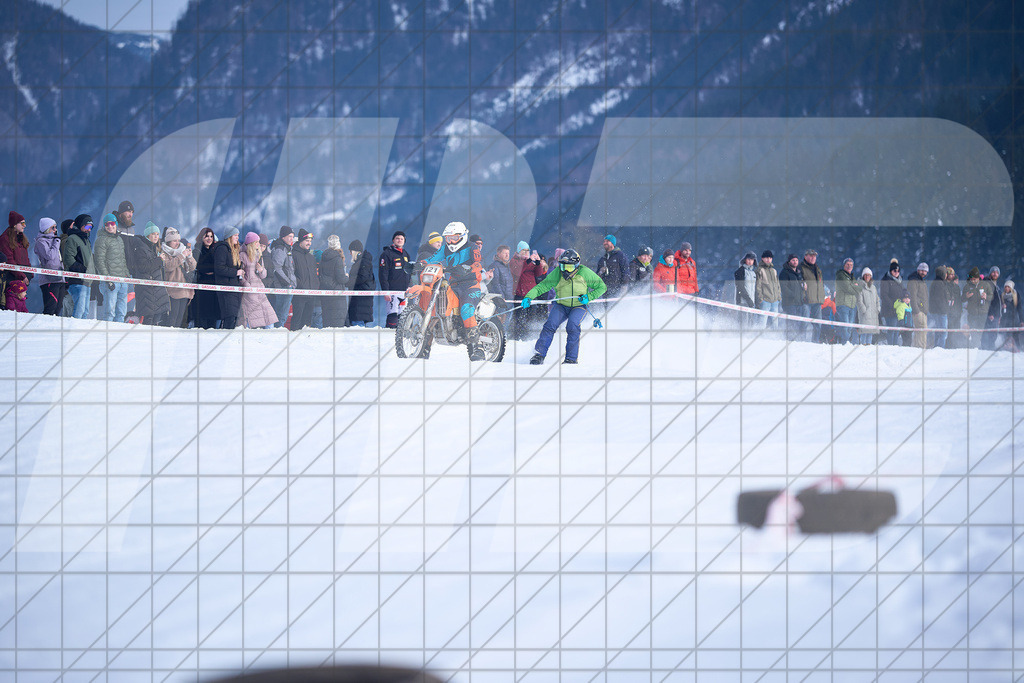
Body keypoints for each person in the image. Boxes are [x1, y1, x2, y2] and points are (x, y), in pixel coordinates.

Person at [523, 249, 606, 365]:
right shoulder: (557, 273)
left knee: (572, 326)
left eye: (570, 268)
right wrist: (529, 297)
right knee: (550, 325)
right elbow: (542, 286)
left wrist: (589, 297)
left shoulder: (584, 273)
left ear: (577, 266)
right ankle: (539, 355)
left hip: (579, 306)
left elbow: (602, 287)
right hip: (561, 306)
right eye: (563, 266)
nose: (566, 270)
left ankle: (571, 359)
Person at [424, 221, 484, 359]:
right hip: (454, 284)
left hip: (470, 285)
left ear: (462, 236)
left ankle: (477, 348)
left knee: (466, 310)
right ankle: (424, 349)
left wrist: (469, 267)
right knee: (437, 309)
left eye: (454, 238)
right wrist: (418, 265)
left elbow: (479, 262)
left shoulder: (472, 247)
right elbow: (432, 259)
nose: (450, 241)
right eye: (448, 238)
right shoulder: (445, 249)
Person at [92, 212, 131, 322]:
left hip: (122, 280)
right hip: (110, 282)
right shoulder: (101, 240)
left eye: (112, 223)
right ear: (104, 226)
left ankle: (118, 335)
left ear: (116, 224)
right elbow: (99, 261)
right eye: (107, 224)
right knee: (110, 312)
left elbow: (122, 260)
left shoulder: (119, 239)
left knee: (122, 312)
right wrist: (107, 279)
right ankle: (107, 335)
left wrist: (126, 275)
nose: (110, 226)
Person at [130, 222, 171, 326]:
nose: (156, 236)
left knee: (156, 319)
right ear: (148, 235)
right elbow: (143, 267)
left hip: (155, 290)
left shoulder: (153, 248)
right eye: (153, 234)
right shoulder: (141, 248)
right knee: (149, 319)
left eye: (157, 234)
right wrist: (159, 260)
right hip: (147, 290)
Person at [238, 231, 277, 329]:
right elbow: (240, 275)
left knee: (269, 317)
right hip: (250, 291)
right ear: (251, 243)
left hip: (260, 289)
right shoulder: (242, 255)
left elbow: (263, 275)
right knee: (253, 318)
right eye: (257, 242)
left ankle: (270, 337)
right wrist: (247, 285)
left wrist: (261, 270)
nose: (258, 244)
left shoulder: (258, 254)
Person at [161, 226, 196, 328]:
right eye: (174, 241)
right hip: (173, 291)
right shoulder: (164, 253)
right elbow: (168, 267)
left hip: (185, 290)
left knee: (180, 319)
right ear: (168, 242)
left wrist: (189, 256)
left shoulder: (182, 250)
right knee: (173, 318)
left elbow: (193, 267)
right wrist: (182, 256)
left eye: (178, 240)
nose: (177, 243)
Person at [511, 241, 546, 339]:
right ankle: (518, 337)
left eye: (527, 251)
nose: (526, 253)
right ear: (519, 251)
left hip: (531, 294)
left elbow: (538, 273)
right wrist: (528, 261)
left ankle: (528, 336)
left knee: (530, 317)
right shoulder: (514, 260)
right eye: (524, 251)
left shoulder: (529, 262)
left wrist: (538, 262)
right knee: (519, 317)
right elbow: (518, 271)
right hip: (520, 294)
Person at [62, 214, 95, 319]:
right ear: (80, 225)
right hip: (77, 280)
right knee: (79, 310)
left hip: (87, 281)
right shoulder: (73, 238)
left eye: (90, 227)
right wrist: (83, 270)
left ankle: (81, 333)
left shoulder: (86, 240)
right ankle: (74, 331)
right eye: (87, 227)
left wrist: (92, 271)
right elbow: (69, 259)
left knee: (85, 311)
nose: (89, 230)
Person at [379, 230, 412, 328]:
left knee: (402, 317)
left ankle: (400, 338)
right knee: (392, 316)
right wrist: (386, 291)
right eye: (397, 238)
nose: (399, 240)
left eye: (402, 239)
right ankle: (388, 336)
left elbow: (410, 272)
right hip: (392, 291)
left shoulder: (406, 254)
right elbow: (383, 274)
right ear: (393, 240)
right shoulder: (386, 254)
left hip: (404, 292)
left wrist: (410, 286)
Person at [213, 227, 244, 329]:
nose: (237, 237)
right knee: (229, 315)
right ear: (229, 236)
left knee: (234, 316)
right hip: (225, 287)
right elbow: (219, 268)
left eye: (238, 235)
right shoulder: (222, 248)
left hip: (234, 286)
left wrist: (240, 270)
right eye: (235, 235)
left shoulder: (234, 250)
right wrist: (235, 272)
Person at [289, 229, 319, 331]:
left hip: (311, 293)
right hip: (300, 294)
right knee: (297, 319)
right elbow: (291, 273)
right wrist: (300, 285)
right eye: (307, 241)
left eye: (310, 241)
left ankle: (305, 343)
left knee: (307, 322)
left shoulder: (311, 257)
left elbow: (314, 275)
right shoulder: (293, 254)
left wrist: (315, 286)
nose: (309, 243)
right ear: (301, 241)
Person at [34, 218, 65, 315]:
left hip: (59, 277)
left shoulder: (55, 240)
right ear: (46, 228)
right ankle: (45, 327)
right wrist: (56, 243)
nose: (55, 230)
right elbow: (49, 256)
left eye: (55, 227)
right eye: (53, 228)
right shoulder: (41, 241)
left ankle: (53, 328)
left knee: (59, 307)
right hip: (49, 279)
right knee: (51, 307)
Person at [268, 226, 297, 327]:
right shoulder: (280, 249)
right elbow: (277, 268)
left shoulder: (287, 248)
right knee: (281, 315)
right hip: (282, 287)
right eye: (289, 236)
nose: (291, 239)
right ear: (283, 236)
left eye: (292, 236)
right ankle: (277, 334)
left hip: (287, 286)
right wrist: (287, 282)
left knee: (282, 315)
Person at [192, 228, 220, 328]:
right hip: (201, 289)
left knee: (212, 322)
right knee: (201, 320)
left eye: (211, 236)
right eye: (207, 236)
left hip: (213, 288)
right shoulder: (197, 250)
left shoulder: (214, 251)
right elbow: (200, 267)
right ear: (201, 237)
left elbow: (218, 267)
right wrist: (212, 268)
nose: (209, 238)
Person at [319, 235, 348, 328]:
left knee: (327, 323)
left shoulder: (323, 258)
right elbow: (341, 278)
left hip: (326, 295)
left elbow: (321, 275)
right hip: (337, 296)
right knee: (337, 325)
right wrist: (347, 277)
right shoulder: (338, 259)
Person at [346, 240, 375, 327]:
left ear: (355, 251)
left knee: (357, 329)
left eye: (351, 251)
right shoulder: (360, 261)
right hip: (358, 302)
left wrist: (347, 280)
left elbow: (362, 277)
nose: (350, 254)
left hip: (360, 303)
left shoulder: (363, 262)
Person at [778, 253, 807, 340]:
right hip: (789, 303)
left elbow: (800, 285)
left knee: (799, 323)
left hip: (799, 302)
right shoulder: (784, 272)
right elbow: (783, 288)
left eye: (796, 260)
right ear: (789, 261)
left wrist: (803, 287)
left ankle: (798, 340)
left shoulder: (798, 272)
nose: (795, 262)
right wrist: (794, 295)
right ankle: (789, 340)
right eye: (793, 260)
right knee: (791, 323)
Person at [833, 257, 861, 344]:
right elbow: (848, 288)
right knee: (845, 325)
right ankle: (844, 343)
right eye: (847, 265)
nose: (849, 266)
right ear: (844, 265)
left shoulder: (852, 277)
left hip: (852, 305)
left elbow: (859, 289)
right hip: (843, 304)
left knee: (850, 327)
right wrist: (854, 286)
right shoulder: (840, 275)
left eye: (851, 265)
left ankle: (845, 342)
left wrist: (854, 286)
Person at [800, 249, 825, 342]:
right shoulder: (801, 267)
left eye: (814, 256)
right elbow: (799, 282)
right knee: (804, 323)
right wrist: (803, 296)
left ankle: (815, 342)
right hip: (806, 300)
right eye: (811, 256)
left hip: (817, 301)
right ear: (805, 256)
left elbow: (821, 283)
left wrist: (822, 297)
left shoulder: (817, 269)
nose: (813, 258)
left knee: (818, 324)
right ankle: (801, 341)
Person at [879, 259, 905, 346]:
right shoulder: (886, 280)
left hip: (898, 310)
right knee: (892, 330)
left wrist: (906, 297)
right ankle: (891, 347)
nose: (896, 272)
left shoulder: (900, 281)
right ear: (891, 271)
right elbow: (884, 295)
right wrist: (893, 306)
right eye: (895, 270)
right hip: (889, 310)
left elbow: (903, 292)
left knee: (897, 331)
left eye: (898, 271)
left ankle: (895, 347)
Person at [595, 234, 628, 300]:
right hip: (605, 291)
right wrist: (600, 272)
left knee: (617, 308)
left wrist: (624, 286)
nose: (605, 243)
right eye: (604, 241)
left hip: (617, 289)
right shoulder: (602, 259)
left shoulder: (620, 255)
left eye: (607, 241)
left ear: (613, 243)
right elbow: (596, 276)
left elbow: (626, 270)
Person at [1, 211, 31, 284]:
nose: (24, 226)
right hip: (12, 278)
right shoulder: (5, 239)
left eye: (25, 223)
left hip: (24, 277)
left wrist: (30, 274)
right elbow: (9, 260)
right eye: (22, 223)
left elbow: (26, 258)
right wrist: (22, 276)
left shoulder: (22, 239)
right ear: (14, 224)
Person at [754, 250, 781, 329]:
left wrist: (779, 297)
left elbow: (778, 285)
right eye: (766, 258)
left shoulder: (774, 271)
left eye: (770, 258)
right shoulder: (759, 270)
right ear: (762, 258)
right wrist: (760, 298)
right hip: (765, 300)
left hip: (775, 301)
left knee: (775, 323)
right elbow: (757, 286)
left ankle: (775, 338)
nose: (768, 259)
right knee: (762, 322)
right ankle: (760, 338)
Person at [928, 265, 951, 349]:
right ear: (942, 274)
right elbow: (939, 300)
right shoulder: (939, 284)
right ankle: (940, 348)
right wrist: (945, 309)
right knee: (943, 332)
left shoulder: (937, 282)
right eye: (945, 273)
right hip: (940, 312)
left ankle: (936, 347)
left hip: (936, 311)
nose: (946, 275)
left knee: (938, 330)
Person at [855, 267, 881, 344]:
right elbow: (859, 300)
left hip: (873, 314)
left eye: (869, 275)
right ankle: (863, 348)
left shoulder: (874, 288)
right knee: (864, 332)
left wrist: (878, 309)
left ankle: (868, 349)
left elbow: (877, 300)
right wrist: (863, 310)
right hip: (864, 314)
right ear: (863, 276)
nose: (867, 277)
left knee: (870, 333)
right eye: (865, 275)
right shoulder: (860, 286)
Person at [907, 262, 930, 349]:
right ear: (918, 270)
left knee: (921, 331)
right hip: (918, 310)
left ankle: (917, 348)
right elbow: (912, 296)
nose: (923, 273)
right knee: (922, 330)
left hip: (923, 310)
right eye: (922, 270)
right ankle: (921, 348)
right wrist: (916, 310)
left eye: (925, 271)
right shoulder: (914, 281)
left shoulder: (921, 281)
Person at [981, 266, 1003, 350]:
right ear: (990, 273)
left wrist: (999, 314)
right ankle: (987, 347)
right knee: (989, 331)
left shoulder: (995, 285)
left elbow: (997, 302)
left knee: (994, 332)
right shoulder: (987, 283)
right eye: (993, 272)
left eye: (997, 272)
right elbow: (986, 300)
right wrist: (990, 313)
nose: (995, 274)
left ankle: (991, 346)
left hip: (996, 314)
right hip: (990, 313)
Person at [734, 252, 756, 327]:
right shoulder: (740, 271)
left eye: (752, 259)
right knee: (742, 323)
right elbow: (740, 287)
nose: (750, 261)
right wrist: (748, 299)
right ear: (745, 260)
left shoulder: (753, 273)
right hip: (742, 301)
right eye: (748, 259)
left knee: (750, 324)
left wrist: (753, 300)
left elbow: (754, 288)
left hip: (751, 302)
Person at [999, 280, 1023, 351]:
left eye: (1008, 287)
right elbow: (998, 308)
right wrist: (1002, 307)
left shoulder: (1016, 295)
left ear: (1011, 288)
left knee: (1015, 336)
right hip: (1005, 319)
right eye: (1005, 287)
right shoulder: (1002, 296)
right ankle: (1005, 350)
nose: (1006, 288)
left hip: (1014, 319)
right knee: (1005, 336)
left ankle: (1018, 349)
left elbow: (1020, 309)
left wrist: (1022, 320)